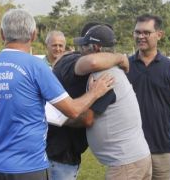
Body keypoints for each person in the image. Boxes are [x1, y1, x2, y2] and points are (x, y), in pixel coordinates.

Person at [0, 9, 114, 180]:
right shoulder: (36, 66)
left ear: (2, 34)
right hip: (30, 166)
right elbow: (73, 110)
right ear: (33, 35)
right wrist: (95, 92)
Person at [47, 22, 130, 180]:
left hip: (45, 149)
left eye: (83, 45)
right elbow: (88, 118)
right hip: (61, 155)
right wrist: (121, 58)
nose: (80, 50)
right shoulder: (102, 77)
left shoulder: (67, 60)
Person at [74, 25, 151, 180]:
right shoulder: (114, 70)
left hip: (125, 164)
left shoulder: (103, 76)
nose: (80, 51)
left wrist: (58, 119)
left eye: (84, 46)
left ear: (95, 47)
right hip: (135, 158)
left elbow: (87, 118)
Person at [127, 14, 170, 180]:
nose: (141, 36)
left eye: (146, 32)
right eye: (137, 32)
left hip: (161, 147)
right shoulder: (125, 67)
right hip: (130, 148)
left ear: (159, 34)